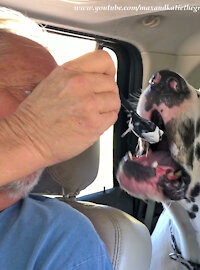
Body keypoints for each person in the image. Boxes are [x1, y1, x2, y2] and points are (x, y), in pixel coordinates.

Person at [0, 7, 117, 269]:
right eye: (31, 92)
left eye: (56, 96)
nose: (59, 115)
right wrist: (27, 134)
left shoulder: (59, 238)